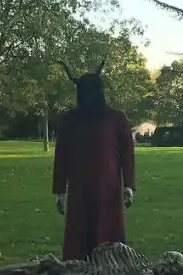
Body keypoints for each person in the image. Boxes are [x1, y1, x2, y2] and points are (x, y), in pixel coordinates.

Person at [52, 60, 136, 260]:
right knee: (79, 233)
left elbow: (127, 153)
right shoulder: (70, 120)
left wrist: (129, 185)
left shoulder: (116, 118)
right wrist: (59, 191)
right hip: (79, 186)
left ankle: (110, 265)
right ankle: (78, 266)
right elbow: (62, 154)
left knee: (108, 230)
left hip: (108, 186)